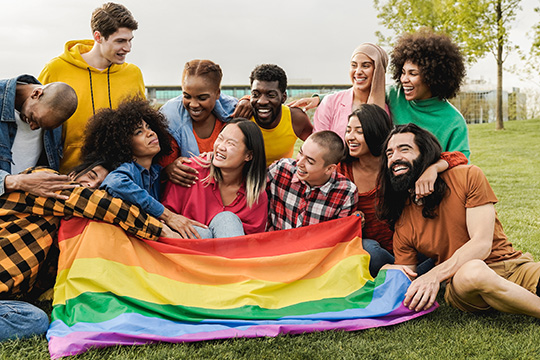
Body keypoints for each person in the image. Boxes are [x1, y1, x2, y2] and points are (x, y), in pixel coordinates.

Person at [378, 123, 540, 318]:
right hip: (463, 283)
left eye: (405, 149)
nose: (395, 157)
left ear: (425, 154)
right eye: (389, 154)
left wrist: (434, 275)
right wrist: (387, 270)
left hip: (513, 267)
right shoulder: (402, 218)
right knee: (474, 270)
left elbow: (481, 244)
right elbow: (408, 275)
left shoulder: (467, 176)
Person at [0, 161, 167, 342]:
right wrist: (163, 227)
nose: (91, 186)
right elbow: (99, 204)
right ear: (73, 175)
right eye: (92, 176)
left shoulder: (63, 234)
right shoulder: (42, 180)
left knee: (34, 320)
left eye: (100, 188)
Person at [339, 105, 467, 276]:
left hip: (409, 246)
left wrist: (434, 168)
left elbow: (459, 158)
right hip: (374, 250)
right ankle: (406, 273)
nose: (350, 137)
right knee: (369, 252)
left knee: (444, 247)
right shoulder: (342, 169)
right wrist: (350, 219)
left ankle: (405, 273)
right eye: (348, 131)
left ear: (375, 132)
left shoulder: (395, 163)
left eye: (359, 132)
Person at [38, 2, 145, 173]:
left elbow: (142, 127)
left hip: (120, 178)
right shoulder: (56, 69)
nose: (127, 48)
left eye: (130, 40)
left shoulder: (133, 74)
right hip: (66, 178)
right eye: (120, 41)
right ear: (98, 36)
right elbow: (36, 124)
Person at [95, 99, 206, 238]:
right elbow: (114, 183)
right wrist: (168, 216)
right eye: (138, 132)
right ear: (123, 143)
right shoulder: (128, 169)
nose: (150, 133)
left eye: (149, 127)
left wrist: (168, 171)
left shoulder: (155, 171)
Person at [162, 120, 268, 238]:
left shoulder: (255, 195)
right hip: (186, 251)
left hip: (231, 250)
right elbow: (164, 219)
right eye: (220, 138)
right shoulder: (187, 173)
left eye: (230, 144)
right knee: (204, 233)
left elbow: (254, 243)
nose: (221, 147)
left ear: (248, 155)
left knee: (227, 220)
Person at [386, 29, 470, 159]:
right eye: (403, 72)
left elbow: (461, 162)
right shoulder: (392, 95)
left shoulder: (454, 121)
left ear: (432, 77)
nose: (404, 79)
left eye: (413, 74)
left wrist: (434, 168)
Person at [159, 60, 242, 187]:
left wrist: (247, 100)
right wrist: (168, 170)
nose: (193, 104)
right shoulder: (171, 120)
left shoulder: (234, 113)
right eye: (187, 96)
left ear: (218, 94)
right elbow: (157, 171)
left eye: (202, 98)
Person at [0, 74, 78, 199]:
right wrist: (18, 182)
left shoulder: (52, 114)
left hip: (22, 209)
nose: (33, 127)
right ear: (36, 94)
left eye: (41, 126)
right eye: (33, 118)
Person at [266, 130, 357, 231]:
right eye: (300, 153)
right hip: (276, 242)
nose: (299, 163)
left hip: (318, 246)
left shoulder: (346, 193)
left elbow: (339, 235)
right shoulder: (280, 170)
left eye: (309, 161)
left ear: (329, 169)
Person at [313, 43, 388, 140]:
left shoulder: (385, 110)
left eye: (365, 66)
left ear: (378, 71)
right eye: (354, 65)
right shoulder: (330, 103)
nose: (358, 72)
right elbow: (318, 142)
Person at [249, 64, 313, 166]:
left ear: (283, 97)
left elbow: (320, 149)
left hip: (280, 179)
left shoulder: (296, 119)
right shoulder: (243, 115)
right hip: (246, 179)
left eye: (271, 95)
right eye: (256, 94)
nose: (262, 101)